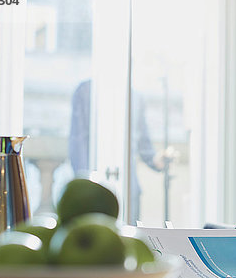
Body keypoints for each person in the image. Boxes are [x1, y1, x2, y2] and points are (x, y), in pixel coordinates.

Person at [69, 79, 167, 225]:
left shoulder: (136, 96)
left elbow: (142, 139)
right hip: (94, 184)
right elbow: (78, 140)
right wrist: (83, 181)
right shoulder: (85, 91)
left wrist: (155, 160)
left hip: (129, 186)